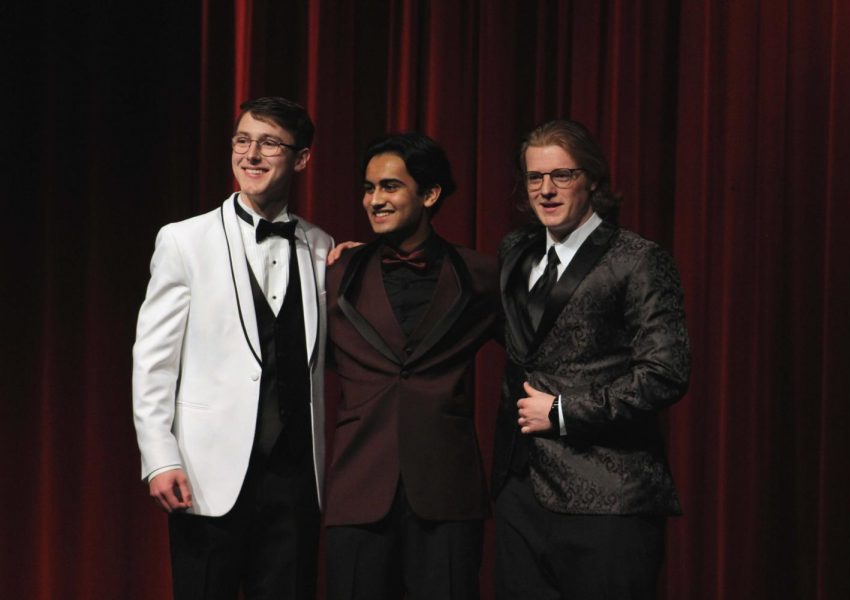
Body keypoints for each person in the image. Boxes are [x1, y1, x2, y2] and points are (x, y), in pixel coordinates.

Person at [132, 96, 333, 599]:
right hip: (206, 475)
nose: (252, 154)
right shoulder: (184, 240)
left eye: (269, 143)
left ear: (301, 159)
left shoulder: (321, 247)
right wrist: (159, 456)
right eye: (243, 140)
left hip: (293, 481)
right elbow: (153, 361)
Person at [492, 119, 691, 600]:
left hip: (608, 495)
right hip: (520, 491)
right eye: (535, 177)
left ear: (593, 180)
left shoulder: (637, 258)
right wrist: (359, 260)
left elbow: (666, 373)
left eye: (562, 175)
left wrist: (563, 412)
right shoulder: (515, 249)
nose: (546, 189)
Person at [324, 133, 500, 600]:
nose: (374, 200)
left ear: (429, 194)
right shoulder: (336, 275)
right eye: (368, 189)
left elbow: (535, 355)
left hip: (447, 494)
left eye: (389, 187)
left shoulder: (481, 276)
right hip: (358, 487)